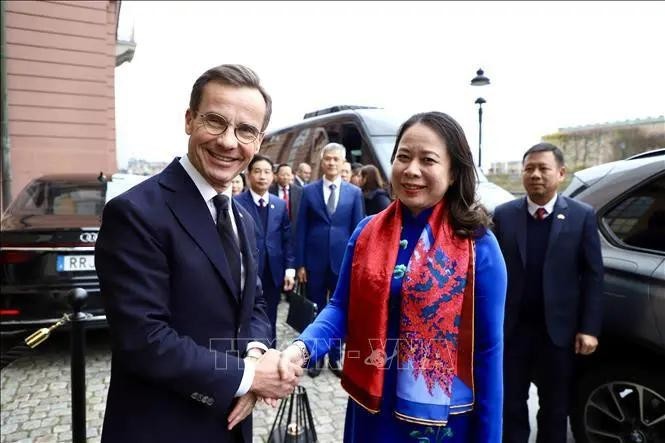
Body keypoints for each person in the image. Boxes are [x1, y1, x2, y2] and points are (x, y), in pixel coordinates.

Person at [95, 64, 301, 443]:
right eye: (215, 121)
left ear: (259, 142)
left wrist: (255, 355)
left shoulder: (241, 215)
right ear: (189, 120)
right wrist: (251, 377)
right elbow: (145, 339)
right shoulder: (136, 212)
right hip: (163, 426)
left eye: (245, 131)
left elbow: (253, 304)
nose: (227, 141)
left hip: (232, 422)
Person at [281, 112, 507, 442]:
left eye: (428, 160)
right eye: (403, 156)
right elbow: (341, 309)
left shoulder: (478, 247)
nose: (412, 170)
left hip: (442, 422)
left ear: (455, 171)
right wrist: (300, 351)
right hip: (372, 408)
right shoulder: (366, 233)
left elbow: (488, 352)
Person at [493, 143, 604, 443]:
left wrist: (589, 328)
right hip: (513, 330)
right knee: (510, 404)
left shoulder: (582, 216)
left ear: (561, 173)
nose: (535, 175)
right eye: (529, 168)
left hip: (559, 332)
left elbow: (594, 275)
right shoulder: (503, 216)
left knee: (555, 408)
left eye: (543, 168)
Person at [294, 142, 365, 378]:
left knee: (341, 310)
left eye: (336, 159)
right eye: (328, 159)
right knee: (315, 309)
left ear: (343, 162)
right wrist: (300, 264)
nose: (332, 163)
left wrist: (358, 264)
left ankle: (335, 357)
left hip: (343, 263)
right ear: (322, 161)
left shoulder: (354, 193)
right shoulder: (309, 191)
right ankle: (315, 357)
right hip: (314, 262)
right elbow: (301, 228)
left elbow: (359, 230)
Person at [235, 155, 295, 346]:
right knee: (247, 315)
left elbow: (287, 239)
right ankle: (249, 354)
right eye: (258, 171)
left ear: (273, 176)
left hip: (273, 271)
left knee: (271, 315)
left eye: (267, 172)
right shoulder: (236, 202)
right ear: (248, 174)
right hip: (248, 271)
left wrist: (290, 269)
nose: (262, 176)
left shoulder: (279, 204)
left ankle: (271, 350)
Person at [269, 163, 303, 233]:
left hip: (293, 230)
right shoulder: (269, 191)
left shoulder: (299, 191)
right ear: (276, 175)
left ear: (292, 176)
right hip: (275, 228)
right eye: (282, 175)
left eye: (288, 175)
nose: (285, 177)